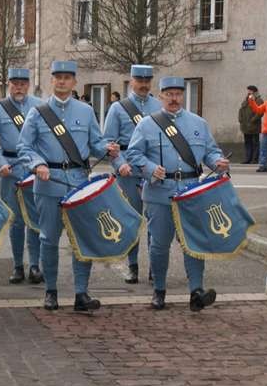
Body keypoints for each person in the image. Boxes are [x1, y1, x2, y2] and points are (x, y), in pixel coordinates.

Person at [18, 61, 122, 312]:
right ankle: (51, 291)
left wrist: (107, 149)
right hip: (49, 182)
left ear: (74, 82)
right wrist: (37, 164)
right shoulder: (38, 112)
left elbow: (95, 143)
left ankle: (81, 294)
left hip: (78, 183)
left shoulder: (86, 111)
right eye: (58, 77)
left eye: (67, 77)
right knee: (49, 239)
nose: (62, 81)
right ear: (52, 80)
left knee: (82, 238)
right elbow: (24, 147)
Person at [125, 76, 229, 311]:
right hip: (159, 193)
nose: (174, 98)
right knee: (159, 244)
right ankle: (159, 289)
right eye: (169, 94)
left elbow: (210, 152)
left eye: (178, 94)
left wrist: (218, 162)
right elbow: (133, 154)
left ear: (183, 96)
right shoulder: (147, 124)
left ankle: (197, 291)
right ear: (161, 96)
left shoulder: (198, 123)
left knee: (194, 242)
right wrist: (150, 168)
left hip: (191, 192)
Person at [0, 68, 43, 285]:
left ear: (28, 85)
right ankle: (17, 265)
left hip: (33, 168)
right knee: (16, 221)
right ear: (9, 85)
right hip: (10, 169)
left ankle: (34, 265)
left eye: (23, 84)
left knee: (35, 219)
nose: (19, 88)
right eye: (15, 84)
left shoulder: (40, 106)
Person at [103, 65, 162, 284]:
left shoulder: (159, 106)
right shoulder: (118, 108)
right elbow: (109, 143)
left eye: (147, 80)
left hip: (153, 170)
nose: (144, 85)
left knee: (155, 220)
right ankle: (132, 265)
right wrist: (119, 164)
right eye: (140, 80)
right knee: (131, 220)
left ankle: (155, 267)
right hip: (128, 170)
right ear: (131, 81)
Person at [238, 86, 262, 164]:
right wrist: (240, 119)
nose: (248, 92)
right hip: (245, 125)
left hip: (254, 126)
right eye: (248, 90)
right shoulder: (246, 100)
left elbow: (260, 112)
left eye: (250, 91)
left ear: (254, 91)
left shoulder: (258, 100)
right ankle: (248, 158)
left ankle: (255, 159)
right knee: (247, 143)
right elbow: (241, 110)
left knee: (255, 143)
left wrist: (253, 120)